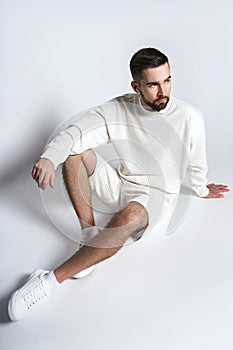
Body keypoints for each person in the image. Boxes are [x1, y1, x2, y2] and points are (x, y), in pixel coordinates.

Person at [8, 47, 230, 321]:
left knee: (131, 214)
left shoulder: (189, 117)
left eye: (167, 80)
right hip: (120, 183)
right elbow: (76, 132)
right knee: (76, 151)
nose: (164, 91)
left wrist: (201, 189)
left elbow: (197, 163)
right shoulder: (118, 108)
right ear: (136, 86)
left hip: (155, 200)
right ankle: (89, 234)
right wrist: (50, 157)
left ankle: (50, 281)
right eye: (153, 84)